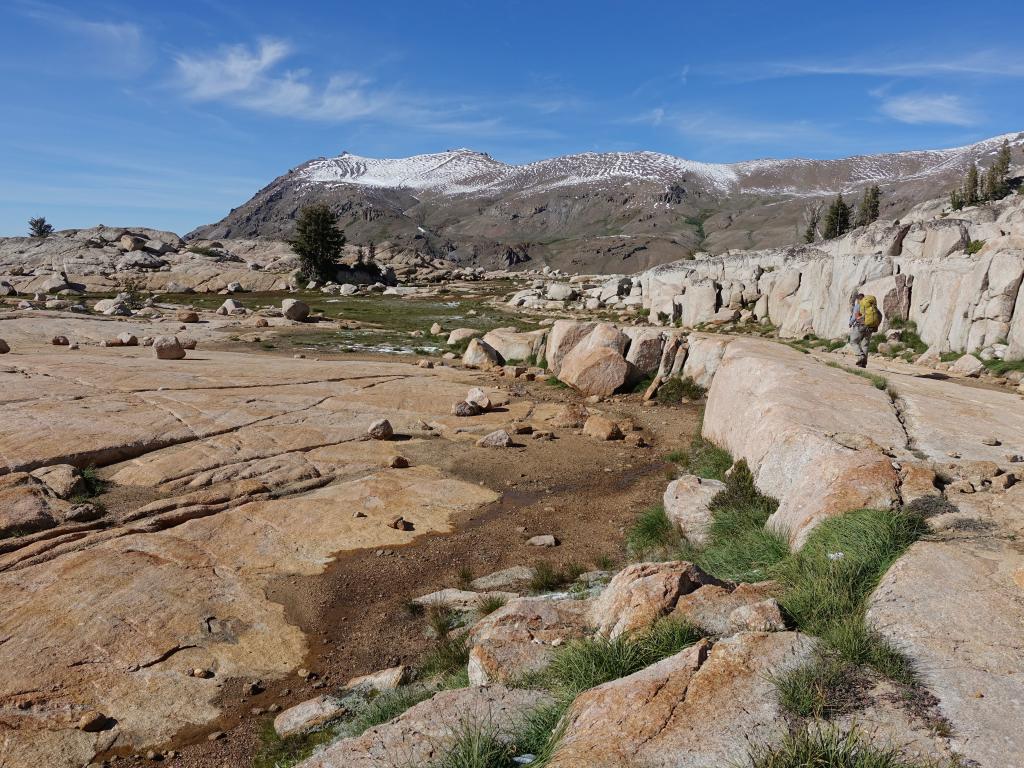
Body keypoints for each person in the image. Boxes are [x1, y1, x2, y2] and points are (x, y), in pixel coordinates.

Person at [848, 291, 881, 367]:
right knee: (865, 345)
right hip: (870, 327)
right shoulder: (873, 307)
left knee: (853, 341)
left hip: (860, 326)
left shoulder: (859, 305)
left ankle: (860, 357)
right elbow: (880, 316)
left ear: (858, 299)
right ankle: (863, 363)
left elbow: (854, 316)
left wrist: (850, 323)